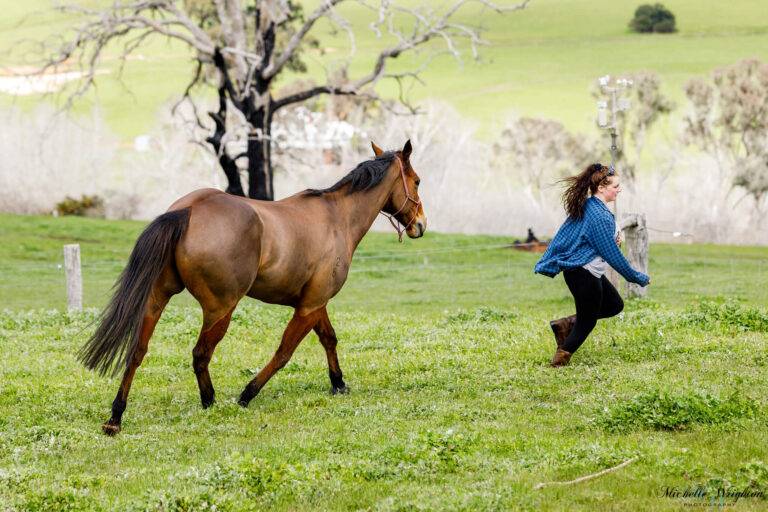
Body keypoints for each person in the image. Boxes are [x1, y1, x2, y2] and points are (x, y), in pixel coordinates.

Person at [534, 163, 650, 367]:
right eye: (615, 186)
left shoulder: (591, 206)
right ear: (601, 188)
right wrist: (636, 277)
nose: (619, 189)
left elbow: (591, 239)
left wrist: (613, 239)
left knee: (614, 305)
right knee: (587, 322)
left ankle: (566, 323)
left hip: (587, 272)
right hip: (582, 274)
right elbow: (611, 254)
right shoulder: (597, 214)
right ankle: (559, 362)